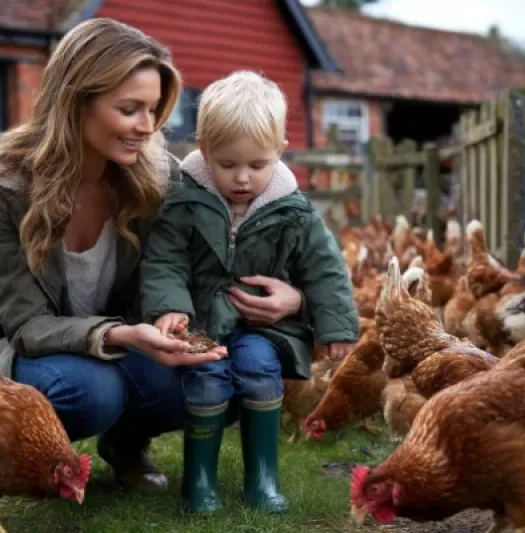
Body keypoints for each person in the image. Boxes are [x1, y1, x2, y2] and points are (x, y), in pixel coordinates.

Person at [0, 18, 306, 493]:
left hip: (130, 342)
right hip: (34, 347)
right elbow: (27, 324)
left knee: (219, 374)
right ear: (76, 101)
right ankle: (25, 451)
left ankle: (125, 445)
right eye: (130, 109)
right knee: (91, 392)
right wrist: (125, 334)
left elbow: (241, 234)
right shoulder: (0, 184)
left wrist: (293, 297)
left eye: (153, 109)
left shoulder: (159, 175)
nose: (147, 127)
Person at [139, 70, 360, 514]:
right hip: (202, 325)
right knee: (206, 381)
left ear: (278, 153)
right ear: (204, 152)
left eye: (257, 166)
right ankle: (199, 482)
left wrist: (335, 324)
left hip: (265, 330)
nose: (242, 178)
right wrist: (170, 308)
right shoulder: (184, 203)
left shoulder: (294, 212)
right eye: (228, 164)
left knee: (260, 371)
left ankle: (263, 478)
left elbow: (325, 269)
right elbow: (165, 262)